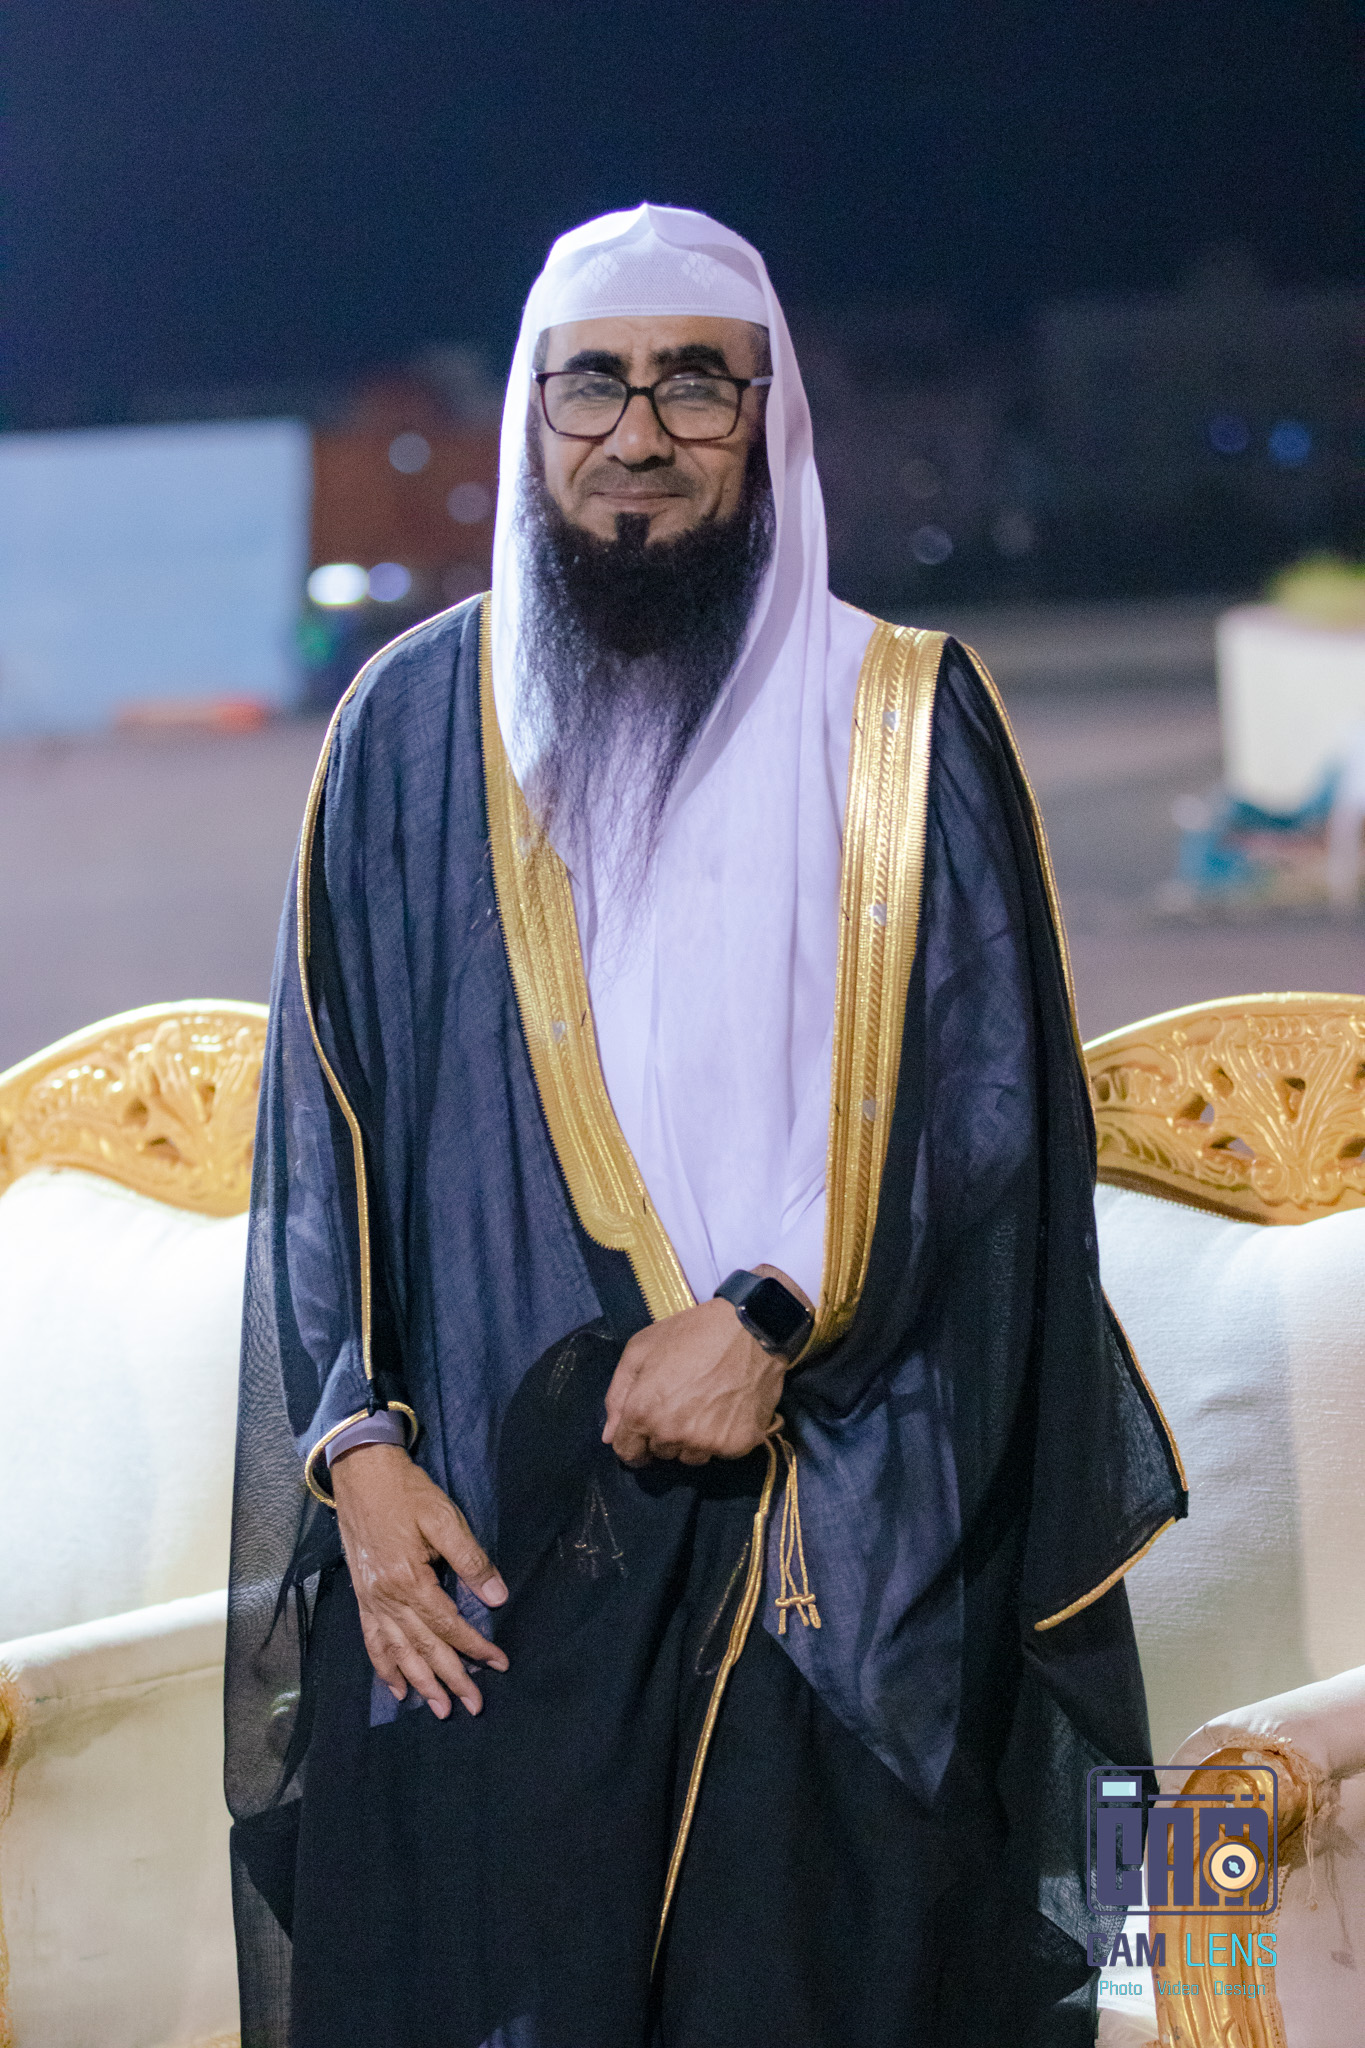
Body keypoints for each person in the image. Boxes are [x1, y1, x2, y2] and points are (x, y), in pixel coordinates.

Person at [226, 204, 1186, 2048]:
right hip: (486, 1525)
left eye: (694, 384)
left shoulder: (898, 720)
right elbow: (319, 1133)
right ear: (530, 415)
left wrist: (770, 1313)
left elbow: (992, 1116)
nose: (639, 431)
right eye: (591, 383)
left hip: (844, 1501)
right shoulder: (404, 731)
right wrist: (355, 1456)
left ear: (769, 417)